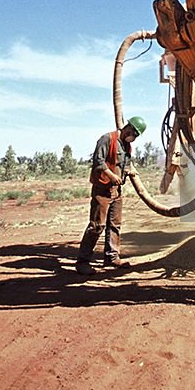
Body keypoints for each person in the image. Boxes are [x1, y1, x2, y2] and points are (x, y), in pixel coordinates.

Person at [75, 115, 146, 275]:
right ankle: (82, 262)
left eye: (136, 136)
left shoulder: (127, 146)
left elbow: (126, 163)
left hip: (116, 191)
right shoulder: (107, 139)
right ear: (128, 128)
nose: (133, 138)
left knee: (115, 225)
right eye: (134, 134)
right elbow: (98, 161)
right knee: (96, 226)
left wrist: (129, 171)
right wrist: (112, 175)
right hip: (103, 190)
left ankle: (112, 257)